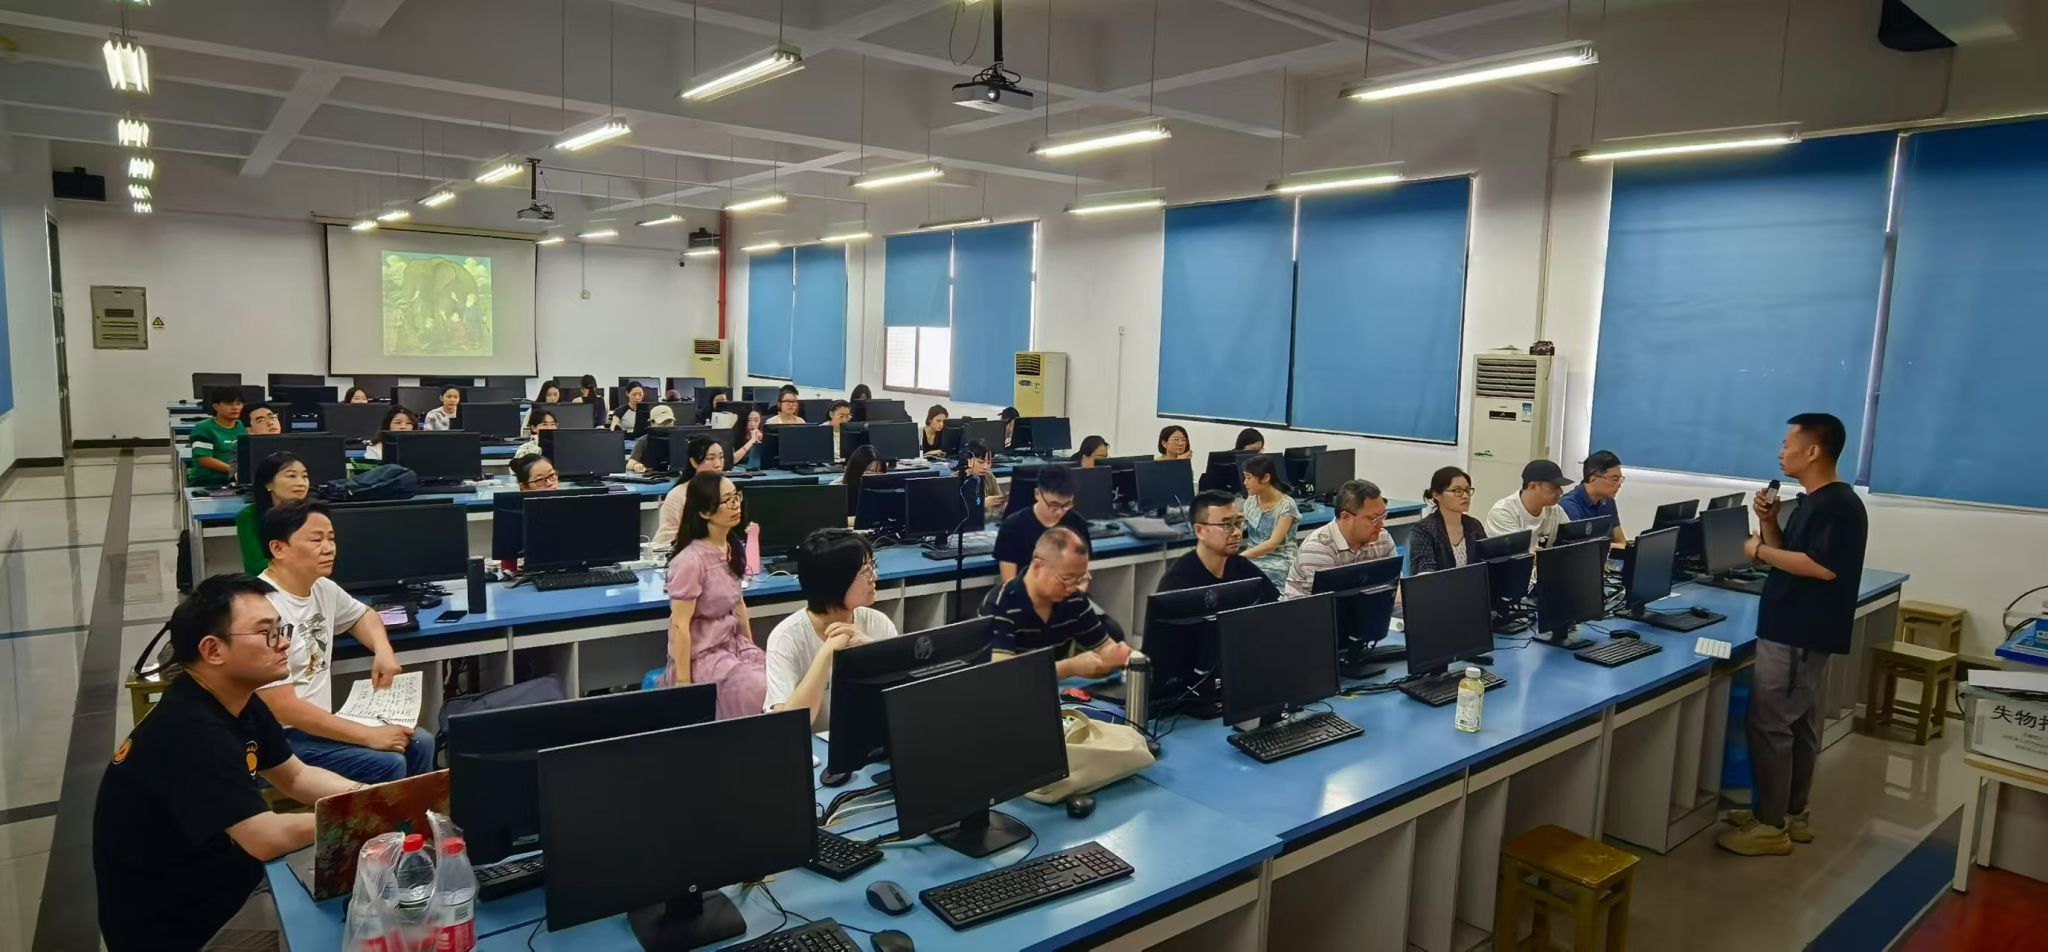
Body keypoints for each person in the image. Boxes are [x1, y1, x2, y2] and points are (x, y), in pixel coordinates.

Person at [94, 575, 360, 952]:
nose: (284, 642)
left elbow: (296, 777)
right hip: (183, 929)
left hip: (226, 885)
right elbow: (266, 839)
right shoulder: (190, 731)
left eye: (281, 629)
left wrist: (369, 796)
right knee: (347, 930)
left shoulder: (238, 700)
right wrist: (360, 816)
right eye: (267, 633)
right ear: (213, 650)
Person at [1718, 413, 1868, 857]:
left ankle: (1770, 827)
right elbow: (1793, 553)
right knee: (1797, 724)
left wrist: (1758, 550)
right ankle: (1789, 811)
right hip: (1796, 627)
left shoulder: (1836, 505)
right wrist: (1768, 522)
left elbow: (1822, 567)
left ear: (1813, 451)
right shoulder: (1813, 502)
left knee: (1771, 725)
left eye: (1788, 444)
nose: (1781, 452)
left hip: (1798, 631)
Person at [256, 502, 434, 783]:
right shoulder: (261, 608)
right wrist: (368, 735)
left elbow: (363, 615)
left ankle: (416, 812)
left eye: (331, 538)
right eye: (316, 540)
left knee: (421, 742)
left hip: (317, 727)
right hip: (279, 737)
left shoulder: (321, 587)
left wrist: (383, 650)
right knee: (388, 763)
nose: (329, 548)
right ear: (278, 548)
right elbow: (282, 706)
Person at [763, 529, 901, 729]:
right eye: (865, 571)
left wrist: (870, 650)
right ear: (836, 582)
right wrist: (826, 653)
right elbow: (788, 727)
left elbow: (900, 697)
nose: (874, 577)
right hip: (814, 745)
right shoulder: (786, 638)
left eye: (873, 565)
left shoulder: (878, 623)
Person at [664, 471, 766, 719]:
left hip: (733, 645)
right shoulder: (690, 561)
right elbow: (679, 624)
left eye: (736, 497)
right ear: (704, 512)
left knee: (780, 675)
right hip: (703, 654)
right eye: (727, 500)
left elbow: (738, 605)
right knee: (757, 688)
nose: (736, 505)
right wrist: (683, 684)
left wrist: (751, 649)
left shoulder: (732, 547)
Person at [983, 528, 1131, 679]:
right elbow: (1002, 675)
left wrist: (1115, 653)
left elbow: (1102, 645)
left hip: (1055, 688)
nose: (1073, 587)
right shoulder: (1000, 604)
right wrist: (1069, 668)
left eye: (1080, 579)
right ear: (1037, 567)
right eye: (1067, 579)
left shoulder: (1074, 599)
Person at [1283, 479, 1398, 599]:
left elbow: (1395, 584)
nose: (1381, 525)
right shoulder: (1318, 547)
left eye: (1383, 516)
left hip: (1362, 605)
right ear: (1346, 516)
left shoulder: (1382, 537)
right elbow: (1330, 602)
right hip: (1312, 608)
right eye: (1373, 519)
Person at [1158, 490, 1279, 600]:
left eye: (1238, 523)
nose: (1237, 533)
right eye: (1226, 525)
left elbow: (1276, 606)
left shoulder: (1243, 568)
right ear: (1200, 531)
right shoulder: (1177, 582)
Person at [993, 463, 1094, 583]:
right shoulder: (1013, 527)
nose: (1060, 512)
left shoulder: (1077, 524)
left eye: (1067, 505)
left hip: (1069, 592)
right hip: (1027, 593)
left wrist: (1077, 591)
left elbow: (1082, 575)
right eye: (1054, 505)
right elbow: (1009, 585)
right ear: (1037, 494)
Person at [235, 452, 311, 574]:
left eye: (305, 476)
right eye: (291, 476)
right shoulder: (249, 516)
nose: (301, 483)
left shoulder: (313, 514)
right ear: (268, 483)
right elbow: (255, 567)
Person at [1410, 466, 1486, 573]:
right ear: (1437, 495)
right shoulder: (1423, 529)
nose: (1465, 496)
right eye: (1457, 491)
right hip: (1439, 583)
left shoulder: (1474, 525)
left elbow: (1486, 561)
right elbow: (1425, 571)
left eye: (1467, 490)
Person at [1237, 455, 1298, 586]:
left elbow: (1273, 543)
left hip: (1280, 560)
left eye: (1248, 477)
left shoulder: (1286, 505)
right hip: (1253, 557)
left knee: (1255, 578)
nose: (1245, 483)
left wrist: (1240, 557)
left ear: (1265, 478)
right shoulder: (1251, 501)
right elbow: (1241, 528)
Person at [655, 436, 725, 548]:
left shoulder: (726, 489)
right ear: (694, 462)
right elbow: (666, 540)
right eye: (710, 458)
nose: (718, 464)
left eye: (721, 457)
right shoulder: (677, 495)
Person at [1484, 459, 1571, 550]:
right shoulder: (1503, 512)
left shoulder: (1555, 511)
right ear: (1533, 486)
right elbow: (1516, 554)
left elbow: (1572, 541)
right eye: (1554, 487)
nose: (1560, 492)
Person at [1560, 450, 1626, 546]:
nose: (1619, 485)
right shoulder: (1569, 506)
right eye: (1615, 479)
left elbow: (1621, 541)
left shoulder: (1608, 502)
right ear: (1593, 478)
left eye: (1620, 479)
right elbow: (1579, 548)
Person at [187, 386, 246, 488]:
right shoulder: (203, 428)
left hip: (236, 479)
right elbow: (204, 459)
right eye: (229, 404)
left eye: (238, 404)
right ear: (216, 406)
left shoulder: (242, 426)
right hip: (209, 480)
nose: (235, 408)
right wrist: (235, 471)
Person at [960, 439, 1007, 520]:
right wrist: (982, 504)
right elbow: (958, 513)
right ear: (969, 460)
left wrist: (1003, 504)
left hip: (987, 521)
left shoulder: (989, 477)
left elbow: (998, 502)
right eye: (981, 462)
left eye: (989, 462)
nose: (985, 467)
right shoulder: (957, 479)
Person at [839, 445, 884, 526]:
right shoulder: (844, 493)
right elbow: (838, 521)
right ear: (857, 470)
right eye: (870, 471)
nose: (875, 475)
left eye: (879, 471)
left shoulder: (883, 490)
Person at [626, 405, 678, 472]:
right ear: (652, 423)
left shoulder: (681, 440)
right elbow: (630, 465)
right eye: (662, 423)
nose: (666, 425)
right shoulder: (643, 441)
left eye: (669, 421)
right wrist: (636, 465)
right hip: (651, 475)